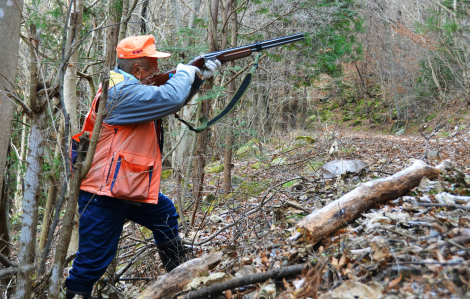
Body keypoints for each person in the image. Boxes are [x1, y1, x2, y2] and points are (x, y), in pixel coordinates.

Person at [65, 35, 221, 299]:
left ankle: (179, 279)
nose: (157, 70)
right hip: (103, 192)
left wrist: (194, 80)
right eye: (152, 65)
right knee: (92, 262)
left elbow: (166, 102)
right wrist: (185, 73)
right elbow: (168, 99)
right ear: (138, 69)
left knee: (165, 215)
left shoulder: (130, 85)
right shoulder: (119, 91)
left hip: (127, 184)